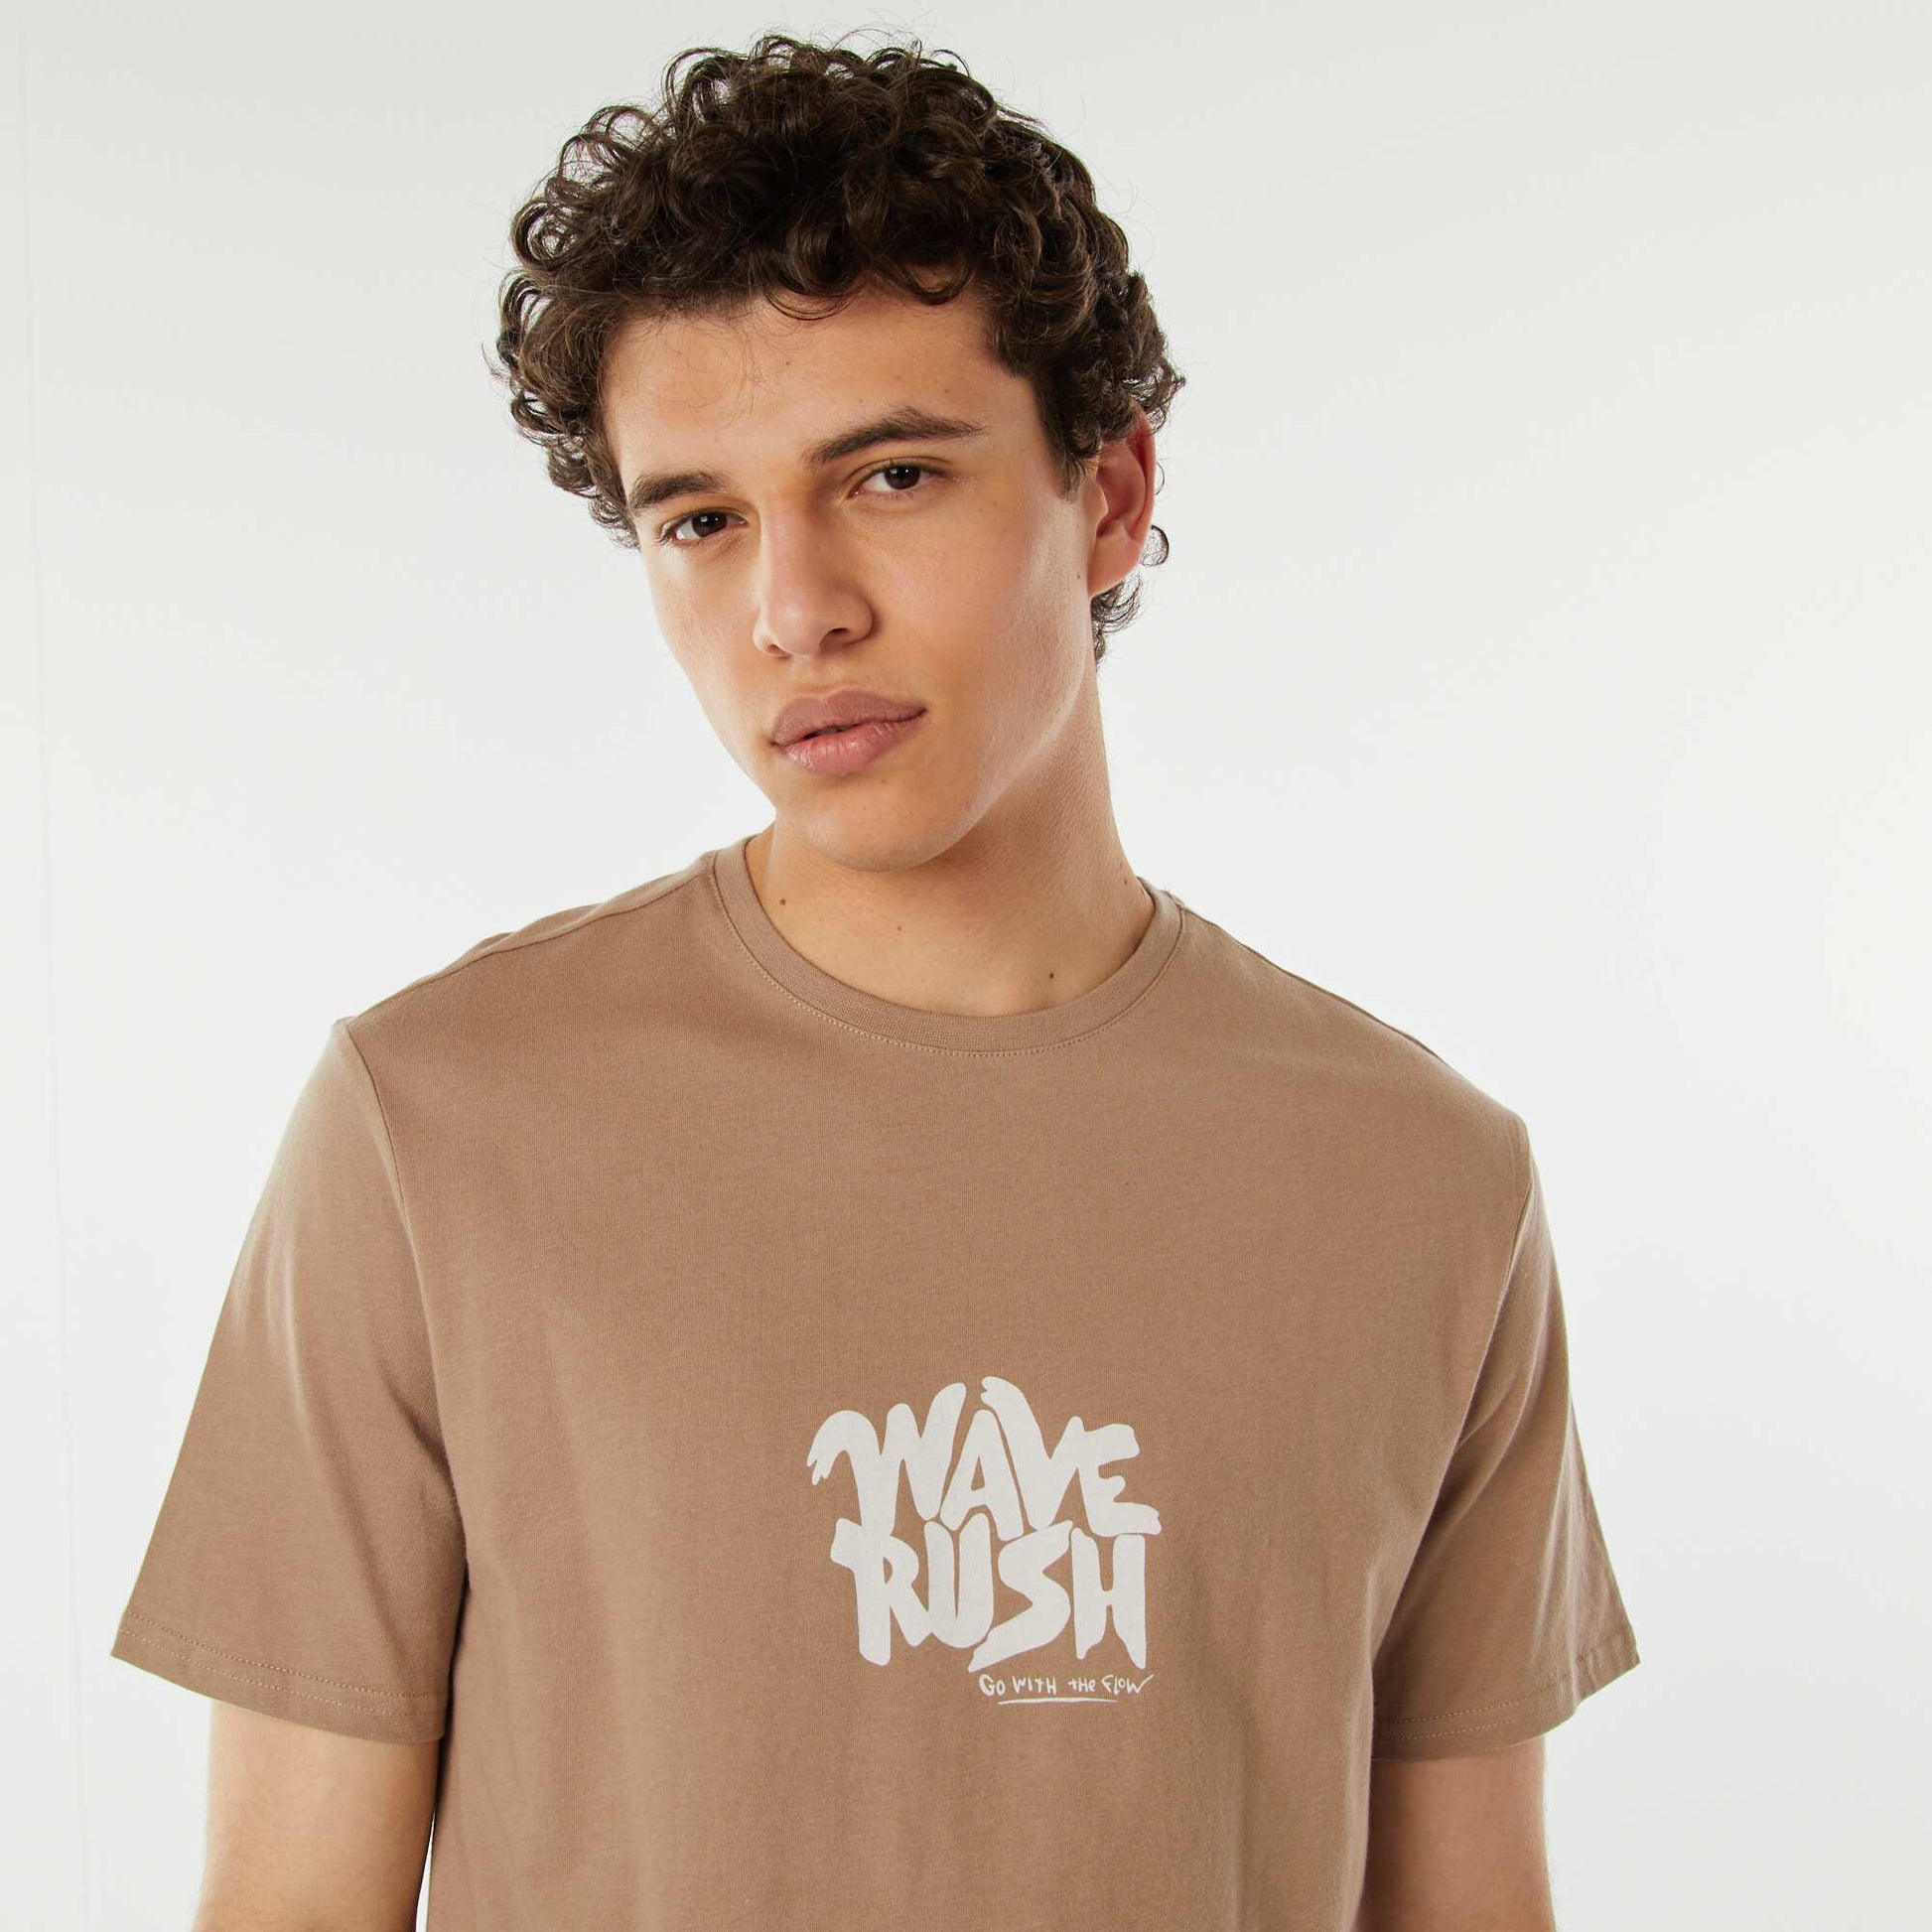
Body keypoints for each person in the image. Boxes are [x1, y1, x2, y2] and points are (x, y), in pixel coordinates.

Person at [110, 30, 1639, 1931]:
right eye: (700, 519)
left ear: (1108, 493)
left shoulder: (1422, 1177)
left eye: (892, 473)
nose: (793, 609)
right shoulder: (432, 1125)